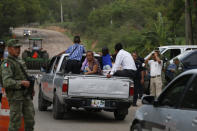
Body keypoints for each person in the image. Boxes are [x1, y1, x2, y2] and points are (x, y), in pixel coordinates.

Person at [0, 39, 35, 131]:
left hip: (26, 95)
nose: (18, 50)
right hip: (15, 97)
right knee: (15, 123)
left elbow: (25, 75)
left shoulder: (20, 60)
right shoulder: (7, 63)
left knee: (30, 120)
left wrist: (31, 88)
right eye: (15, 48)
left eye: (19, 47)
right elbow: (6, 82)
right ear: (9, 49)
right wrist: (21, 83)